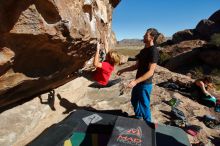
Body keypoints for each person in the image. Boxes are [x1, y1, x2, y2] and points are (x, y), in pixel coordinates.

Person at [117, 28, 160, 122]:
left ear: (152, 37)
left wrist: (135, 81)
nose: (143, 36)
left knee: (145, 104)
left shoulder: (154, 51)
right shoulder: (143, 51)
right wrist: (123, 70)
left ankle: (148, 123)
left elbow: (150, 72)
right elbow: (136, 66)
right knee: (134, 100)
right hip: (138, 82)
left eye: (146, 35)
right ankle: (138, 117)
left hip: (145, 84)